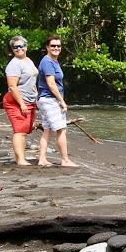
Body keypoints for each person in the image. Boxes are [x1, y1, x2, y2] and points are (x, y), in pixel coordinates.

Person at [35, 36, 78, 168]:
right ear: (47, 47)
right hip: (49, 100)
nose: (56, 48)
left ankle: (42, 159)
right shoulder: (48, 62)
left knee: (47, 129)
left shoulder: (53, 61)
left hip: (46, 99)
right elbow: (51, 83)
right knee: (61, 129)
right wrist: (62, 101)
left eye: (58, 46)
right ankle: (65, 160)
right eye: (53, 46)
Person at [2, 36, 39, 167]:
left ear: (26, 46)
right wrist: (22, 103)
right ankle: (21, 160)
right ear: (12, 50)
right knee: (20, 131)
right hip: (16, 101)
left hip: (29, 99)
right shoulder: (14, 64)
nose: (19, 49)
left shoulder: (28, 60)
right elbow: (12, 86)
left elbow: (32, 79)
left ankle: (20, 158)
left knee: (25, 131)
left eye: (21, 46)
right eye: (15, 47)